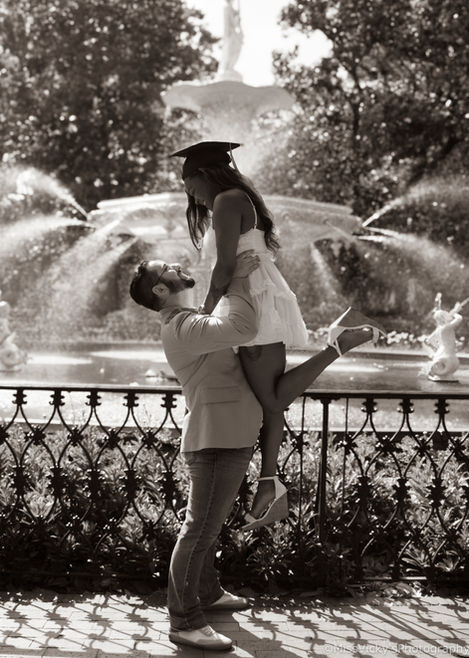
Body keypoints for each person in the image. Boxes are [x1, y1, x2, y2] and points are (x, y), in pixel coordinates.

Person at [129, 253, 384, 651]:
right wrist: (237, 280)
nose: (177, 266)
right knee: (198, 531)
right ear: (161, 289)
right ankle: (184, 621)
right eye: (168, 270)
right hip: (216, 440)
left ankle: (208, 593)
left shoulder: (191, 321)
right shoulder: (182, 326)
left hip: (228, 435)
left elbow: (228, 326)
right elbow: (243, 326)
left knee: (206, 528)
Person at [171, 140, 386, 531]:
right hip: (253, 296)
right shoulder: (241, 199)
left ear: (205, 174)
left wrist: (204, 313)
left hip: (249, 302)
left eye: (189, 185)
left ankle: (339, 342)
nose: (190, 195)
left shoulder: (227, 201)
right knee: (270, 404)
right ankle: (268, 486)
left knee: (271, 399)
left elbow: (224, 268)